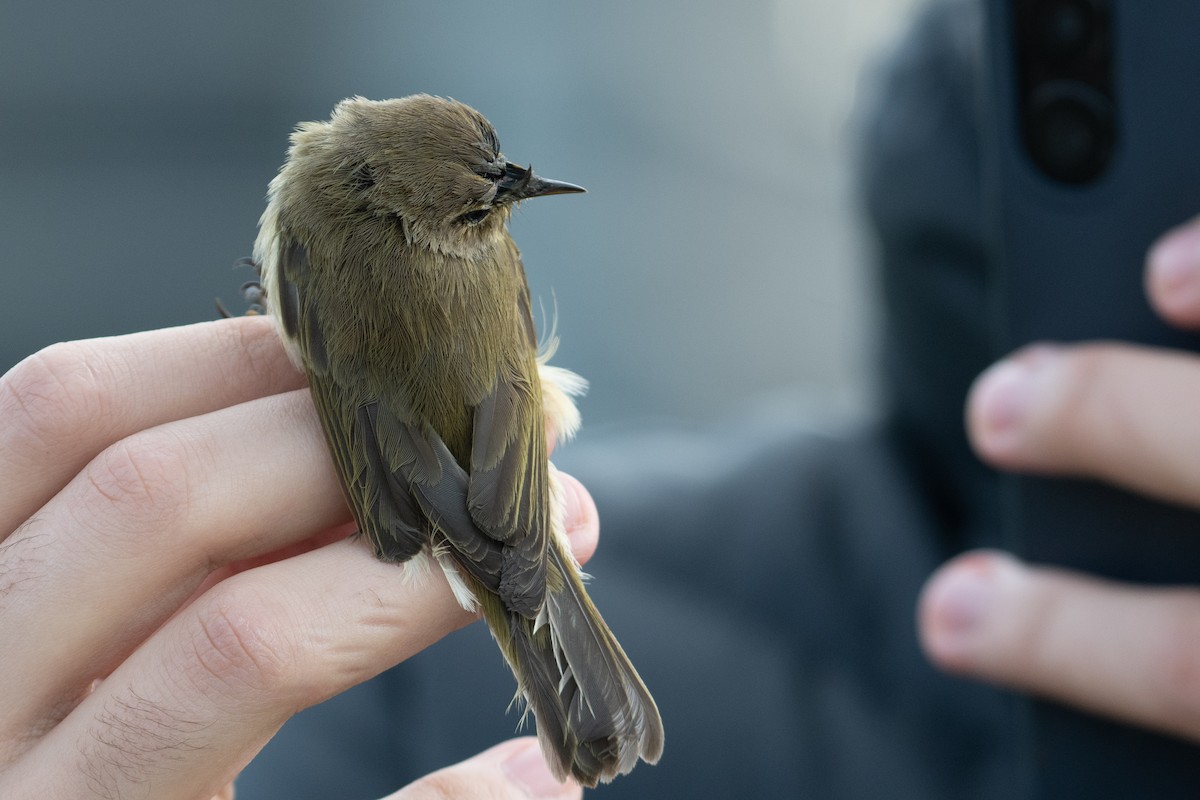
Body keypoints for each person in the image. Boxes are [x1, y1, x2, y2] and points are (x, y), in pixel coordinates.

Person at [4, 2, 1200, 798]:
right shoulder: (399, 246)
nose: (505, 209)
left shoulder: (404, 225)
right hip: (482, 501)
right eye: (488, 203)